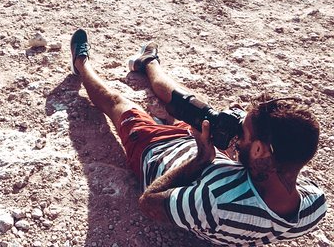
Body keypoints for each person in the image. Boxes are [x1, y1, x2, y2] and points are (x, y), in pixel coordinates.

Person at [69, 29, 327, 245]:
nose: (238, 135)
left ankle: (81, 64)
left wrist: (201, 159)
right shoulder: (313, 207)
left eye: (243, 132)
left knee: (118, 103)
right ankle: (148, 62)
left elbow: (148, 203)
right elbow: (279, 169)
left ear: (260, 150)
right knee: (187, 104)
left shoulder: (215, 203)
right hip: (216, 152)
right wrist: (239, 147)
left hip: (159, 151)